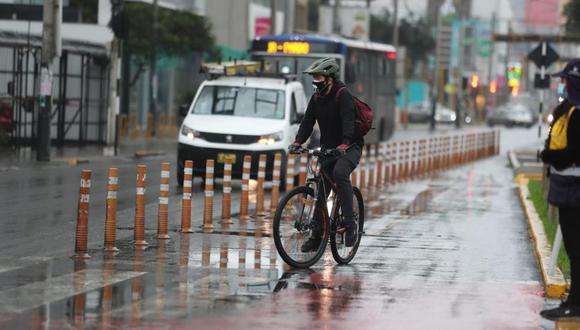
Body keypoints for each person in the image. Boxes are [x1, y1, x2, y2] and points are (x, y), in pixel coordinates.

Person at [288, 57, 363, 252]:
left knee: (339, 173)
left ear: (330, 78)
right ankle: (316, 236)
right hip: (328, 149)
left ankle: (350, 224)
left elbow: (348, 121)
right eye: (313, 79)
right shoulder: (316, 98)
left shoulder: (342, 94)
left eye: (319, 79)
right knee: (320, 188)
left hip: (349, 147)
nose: (316, 83)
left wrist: (345, 143)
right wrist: (297, 141)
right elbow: (307, 122)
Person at [539, 59, 580, 321]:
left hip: (575, 190)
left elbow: (574, 153)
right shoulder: (569, 109)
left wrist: (549, 156)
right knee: (574, 248)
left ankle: (575, 305)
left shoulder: (578, 114)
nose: (562, 84)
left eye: (565, 80)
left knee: (576, 249)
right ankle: (574, 300)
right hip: (567, 189)